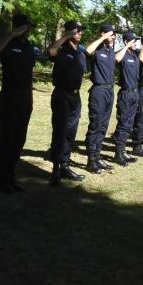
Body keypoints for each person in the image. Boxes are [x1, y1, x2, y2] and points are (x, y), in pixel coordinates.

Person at [0, 14, 35, 193]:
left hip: (25, 97)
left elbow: (29, 71)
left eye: (29, 27)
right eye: (26, 27)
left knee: (19, 138)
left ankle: (11, 176)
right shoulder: (8, 44)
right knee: (7, 137)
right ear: (18, 27)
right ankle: (2, 179)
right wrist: (11, 34)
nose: (28, 30)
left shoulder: (29, 47)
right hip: (9, 95)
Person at [46, 20, 88, 186]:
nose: (79, 33)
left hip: (75, 97)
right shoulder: (62, 49)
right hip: (62, 94)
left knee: (71, 132)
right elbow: (51, 51)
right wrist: (65, 37)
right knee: (60, 131)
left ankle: (65, 165)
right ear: (69, 32)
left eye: (80, 31)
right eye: (77, 30)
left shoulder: (80, 52)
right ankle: (55, 170)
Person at [83, 24, 117, 174]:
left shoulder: (110, 50)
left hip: (110, 90)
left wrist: (110, 40)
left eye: (114, 34)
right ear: (103, 33)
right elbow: (87, 51)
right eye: (111, 33)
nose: (113, 36)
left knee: (103, 125)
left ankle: (97, 156)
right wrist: (103, 37)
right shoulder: (97, 49)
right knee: (96, 124)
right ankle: (91, 160)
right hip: (99, 90)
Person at [112, 31, 142, 165]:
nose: (135, 43)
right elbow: (116, 59)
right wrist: (125, 46)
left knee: (130, 124)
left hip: (135, 93)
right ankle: (118, 154)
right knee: (123, 123)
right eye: (133, 41)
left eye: (136, 41)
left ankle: (123, 151)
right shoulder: (122, 54)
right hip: (125, 93)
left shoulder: (134, 55)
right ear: (126, 42)